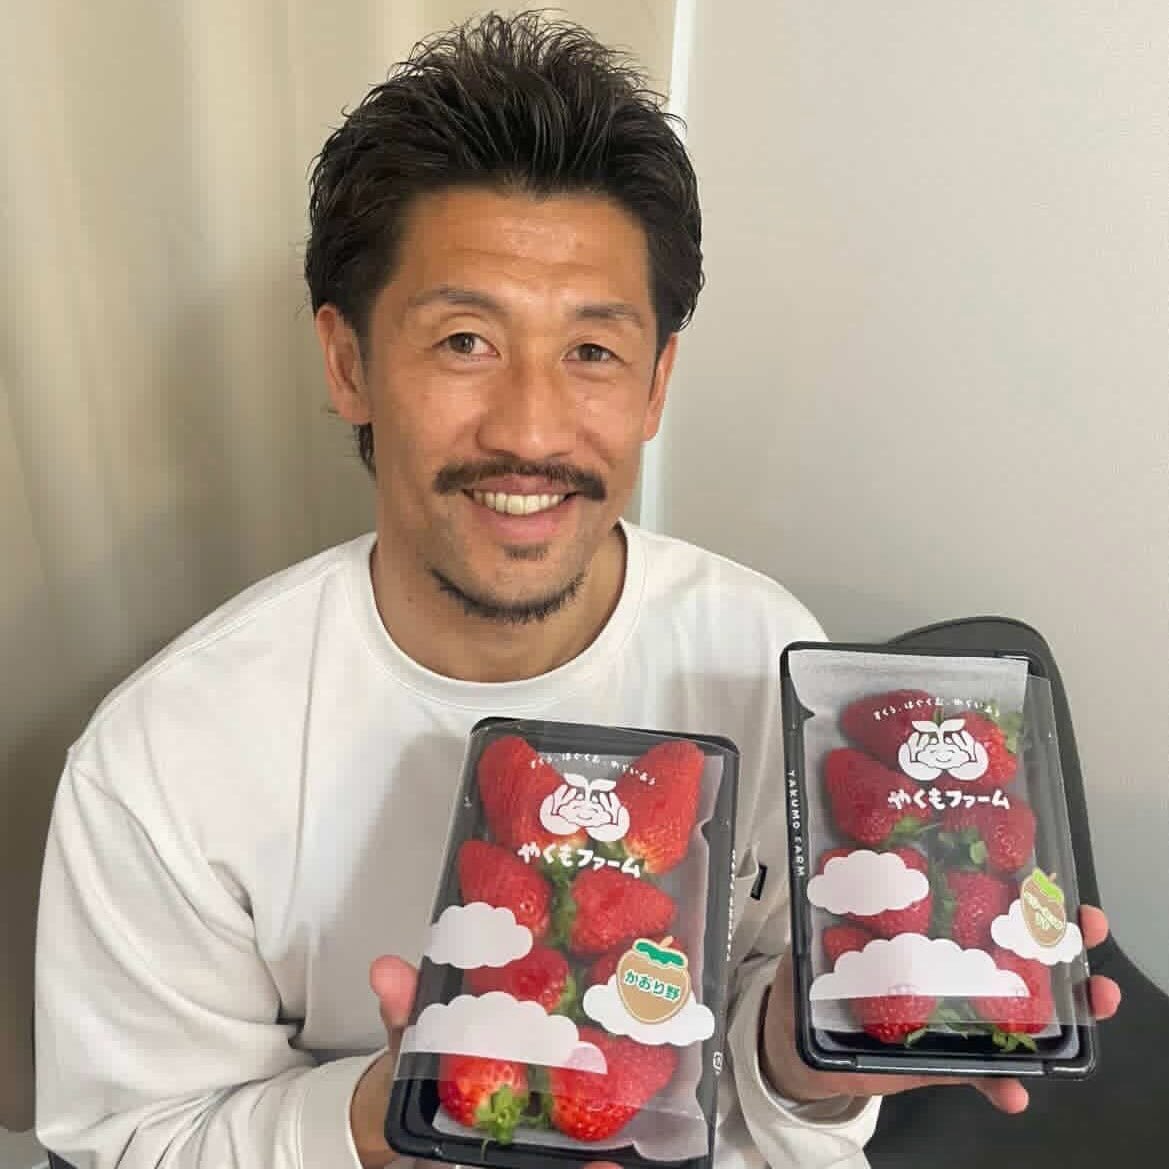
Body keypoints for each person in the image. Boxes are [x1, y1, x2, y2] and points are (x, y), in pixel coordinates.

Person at [33, 12, 1119, 1169]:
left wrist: (798, 1057)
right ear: (349, 363)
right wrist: (388, 1110)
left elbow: (763, 1072)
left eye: (591, 351)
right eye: (464, 340)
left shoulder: (759, 647)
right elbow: (133, 1138)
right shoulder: (165, 758)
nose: (531, 429)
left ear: (655, 384)